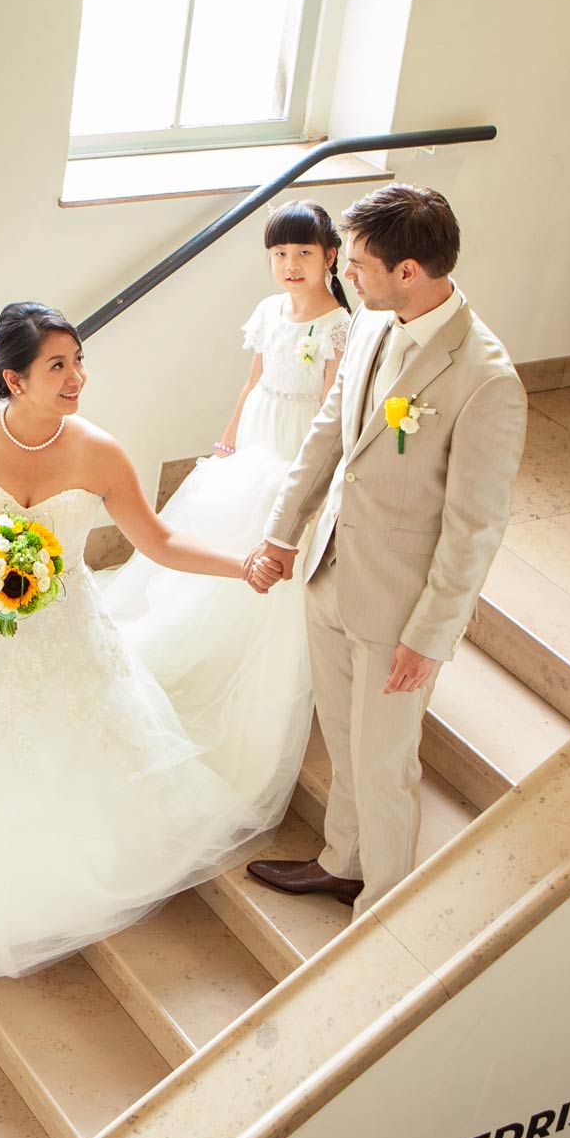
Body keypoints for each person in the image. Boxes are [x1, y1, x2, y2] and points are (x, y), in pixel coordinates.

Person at [0, 303, 265, 994]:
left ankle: (76, 881)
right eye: (58, 365)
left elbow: (156, 541)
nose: (77, 377)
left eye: (77, 361)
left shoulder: (99, 451)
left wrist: (241, 565)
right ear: (13, 379)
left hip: (67, 630)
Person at [244, 184, 528, 917]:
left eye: (362, 263)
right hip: (331, 569)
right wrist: (281, 534)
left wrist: (429, 636)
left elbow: (474, 527)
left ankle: (387, 914)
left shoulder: (486, 378)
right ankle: (343, 862)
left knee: (383, 764)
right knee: (343, 741)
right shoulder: (372, 323)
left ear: (409, 270)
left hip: (399, 606)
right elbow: (327, 437)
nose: (349, 275)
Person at [105, 201, 353, 824]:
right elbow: (251, 385)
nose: (290, 266)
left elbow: (330, 414)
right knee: (214, 530)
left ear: (330, 256)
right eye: (279, 255)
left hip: (294, 454)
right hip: (256, 442)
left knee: (264, 533)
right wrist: (226, 444)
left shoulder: (336, 326)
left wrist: (309, 481)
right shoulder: (270, 313)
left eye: (302, 253)